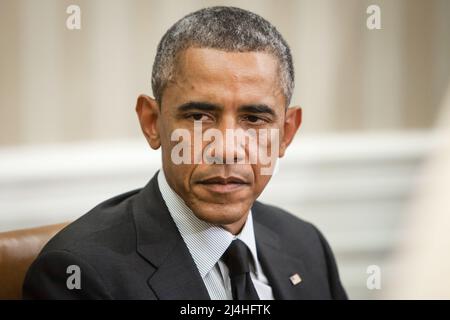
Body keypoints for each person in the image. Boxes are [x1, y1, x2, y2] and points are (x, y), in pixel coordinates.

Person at [23, 6, 347, 300]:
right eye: (198, 117)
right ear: (152, 123)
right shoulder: (77, 275)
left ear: (286, 133)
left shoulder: (306, 245)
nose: (227, 149)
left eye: (253, 118)